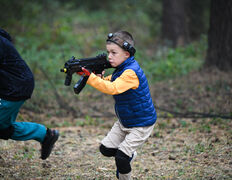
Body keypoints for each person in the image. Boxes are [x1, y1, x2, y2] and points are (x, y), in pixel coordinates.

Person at [77, 31, 157, 180]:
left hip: (141, 123)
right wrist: (96, 77)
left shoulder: (131, 72)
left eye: (114, 53)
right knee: (105, 149)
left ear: (126, 54)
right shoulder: (120, 70)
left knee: (121, 158)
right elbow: (110, 82)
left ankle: (125, 167)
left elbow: (112, 88)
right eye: (108, 52)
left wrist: (90, 77)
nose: (109, 57)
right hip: (125, 121)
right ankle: (128, 156)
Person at [0, 28, 59, 160]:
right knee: (3, 127)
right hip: (13, 85)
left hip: (13, 87)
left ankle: (46, 135)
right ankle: (44, 135)